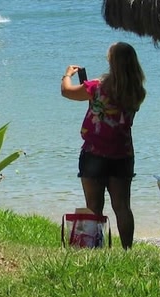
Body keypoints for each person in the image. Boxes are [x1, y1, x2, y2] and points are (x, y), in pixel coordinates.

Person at [61, 42, 146, 249]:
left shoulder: (96, 87)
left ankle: (94, 249)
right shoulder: (137, 91)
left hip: (94, 153)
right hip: (122, 154)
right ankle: (127, 250)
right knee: (122, 206)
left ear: (112, 62)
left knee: (94, 206)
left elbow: (67, 91)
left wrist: (67, 75)